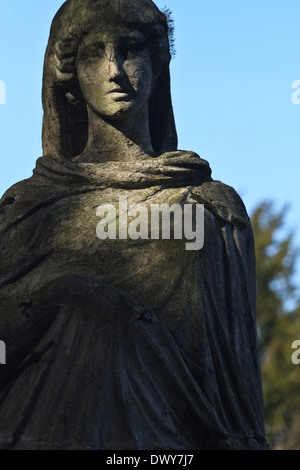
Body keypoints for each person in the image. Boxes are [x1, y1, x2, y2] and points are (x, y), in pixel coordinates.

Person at [0, 0, 268, 450]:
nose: (114, 70)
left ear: (156, 62)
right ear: (68, 73)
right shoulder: (28, 206)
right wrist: (67, 294)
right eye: (93, 52)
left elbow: (239, 400)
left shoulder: (210, 208)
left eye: (130, 49)